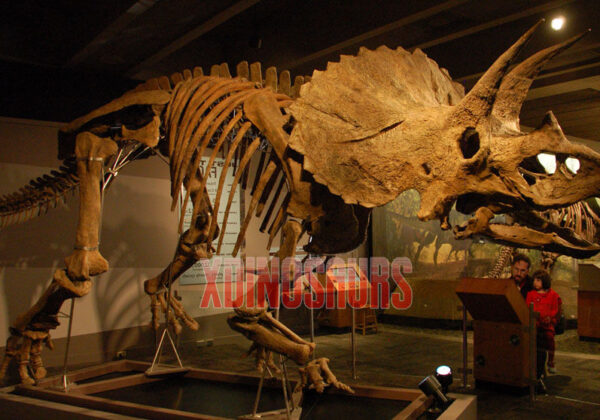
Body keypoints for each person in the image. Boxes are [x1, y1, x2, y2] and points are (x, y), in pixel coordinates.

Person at [526, 269, 560, 389]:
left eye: (538, 280)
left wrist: (549, 318)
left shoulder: (553, 295)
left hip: (547, 324)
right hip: (534, 324)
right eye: (534, 280)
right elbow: (527, 307)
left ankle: (551, 361)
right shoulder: (531, 294)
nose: (535, 282)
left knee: (549, 338)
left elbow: (555, 309)